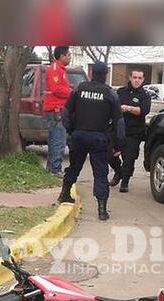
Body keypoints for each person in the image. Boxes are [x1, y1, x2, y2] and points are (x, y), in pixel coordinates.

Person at [57, 62, 125, 221]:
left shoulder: (79, 89)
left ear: (93, 72)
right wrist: (119, 144)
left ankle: (64, 193)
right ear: (106, 74)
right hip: (99, 139)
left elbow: (65, 112)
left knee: (74, 166)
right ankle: (102, 210)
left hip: (79, 136)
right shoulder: (110, 93)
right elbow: (119, 122)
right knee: (100, 173)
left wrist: (71, 130)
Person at [109, 68, 151, 192]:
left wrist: (128, 108)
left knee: (129, 159)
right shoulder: (121, 92)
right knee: (109, 154)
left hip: (134, 132)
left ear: (143, 80)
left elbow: (143, 111)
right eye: (135, 77)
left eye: (139, 78)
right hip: (117, 130)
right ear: (130, 78)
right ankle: (118, 172)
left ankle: (125, 181)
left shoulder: (145, 95)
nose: (137, 80)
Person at [44, 46, 72, 176]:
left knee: (54, 140)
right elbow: (56, 89)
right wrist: (72, 93)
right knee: (58, 141)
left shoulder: (61, 70)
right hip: (56, 110)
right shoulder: (55, 70)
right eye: (69, 55)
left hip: (57, 109)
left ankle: (51, 168)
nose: (70, 57)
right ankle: (55, 168)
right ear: (62, 56)